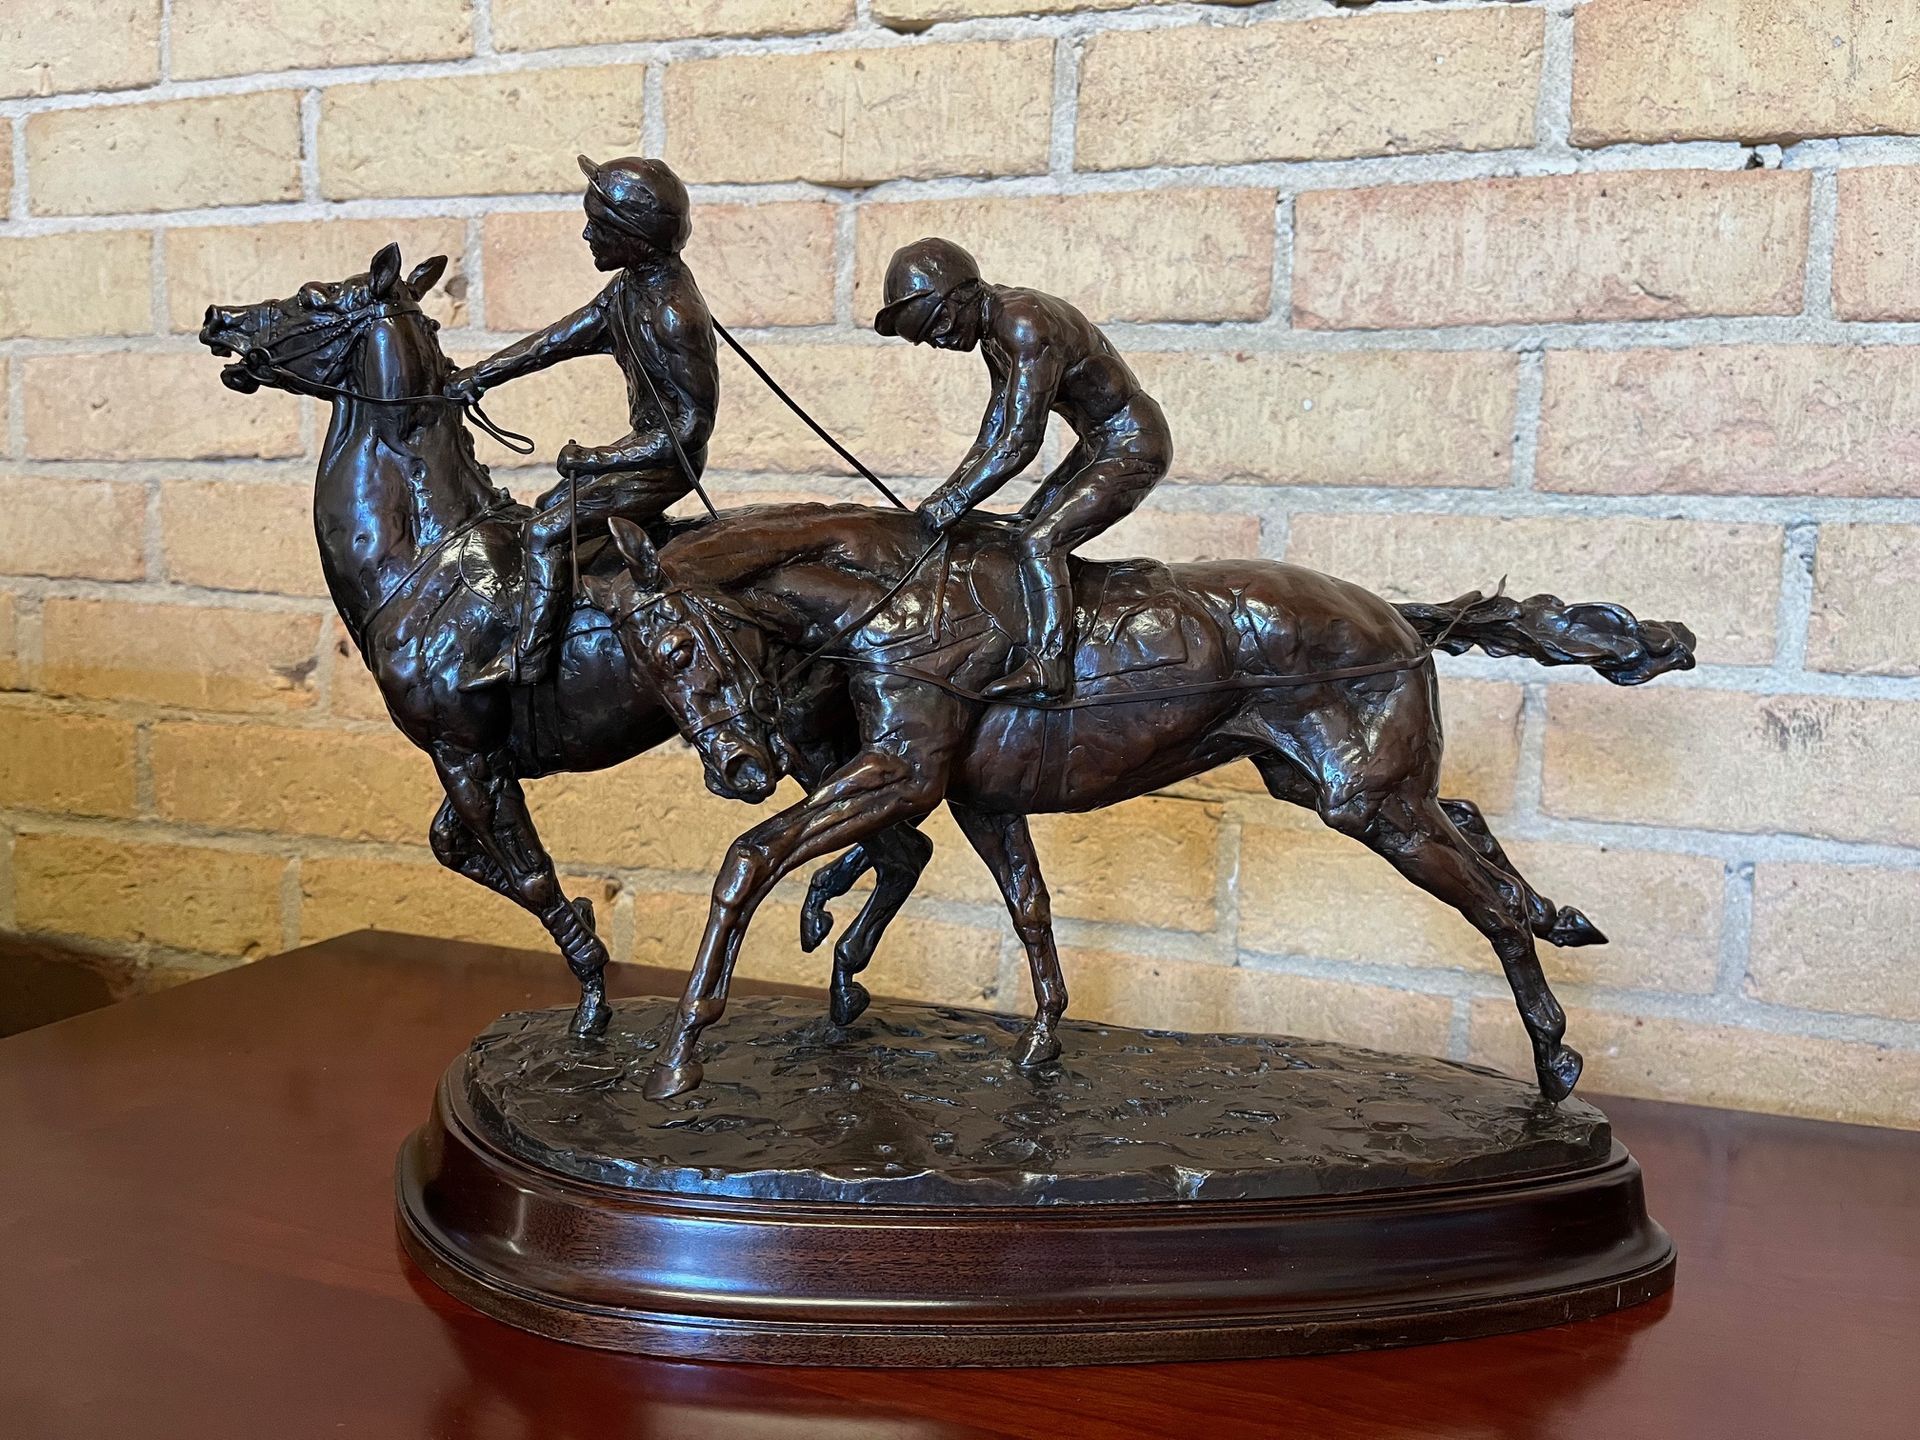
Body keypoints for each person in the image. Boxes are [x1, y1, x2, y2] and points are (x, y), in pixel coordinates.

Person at [446, 156, 718, 685]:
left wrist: (601, 458)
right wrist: (481, 374)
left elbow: (689, 429)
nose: (587, 233)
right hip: (640, 452)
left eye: (599, 225)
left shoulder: (672, 315)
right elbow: (557, 339)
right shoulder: (630, 289)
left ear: (633, 236)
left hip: (664, 464)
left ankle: (529, 661)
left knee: (547, 532)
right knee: (551, 505)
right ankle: (592, 614)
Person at [873, 238, 1173, 700]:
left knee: (1040, 541)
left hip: (1133, 444)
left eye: (940, 324)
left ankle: (1051, 665)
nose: (940, 340)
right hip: (1098, 444)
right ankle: (1033, 634)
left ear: (962, 293)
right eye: (929, 336)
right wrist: (942, 498)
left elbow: (1020, 441)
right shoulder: (997, 331)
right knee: (1019, 529)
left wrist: (952, 502)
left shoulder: (1023, 323)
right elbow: (995, 427)